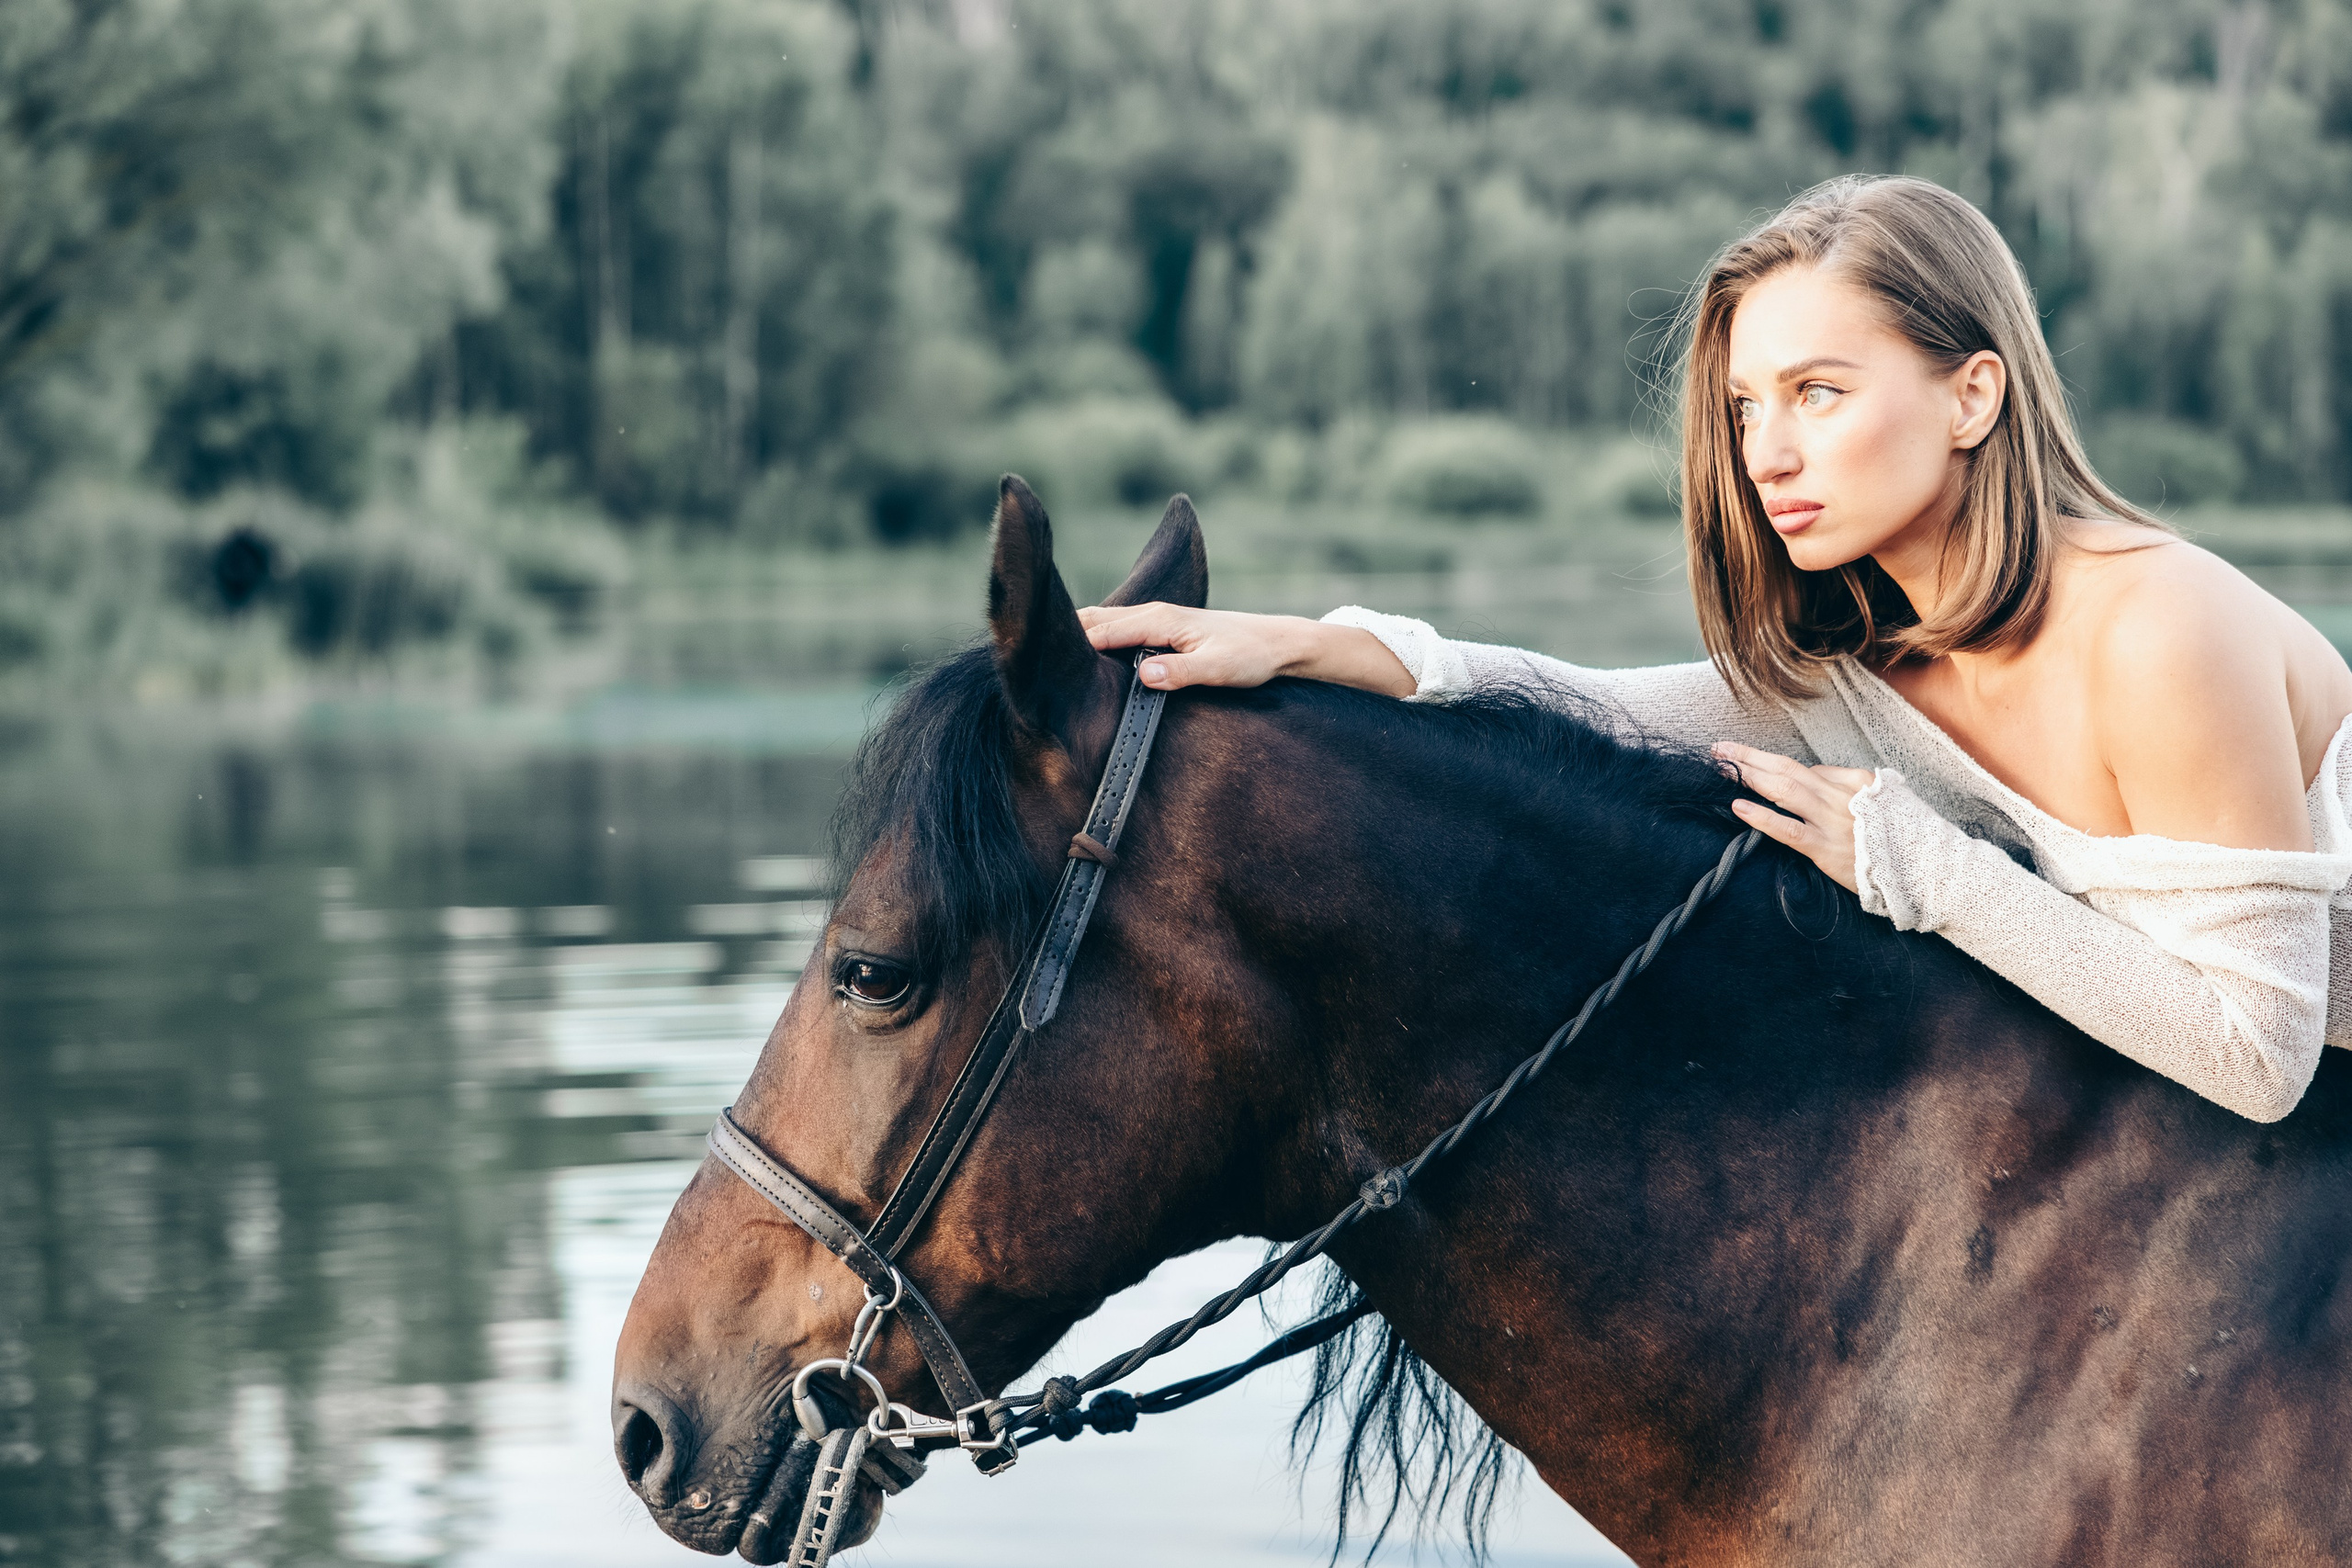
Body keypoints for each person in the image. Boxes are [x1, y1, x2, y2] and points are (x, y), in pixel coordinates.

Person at [1080, 174, 2352, 1124]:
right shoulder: (1867, 670)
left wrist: (1921, 867)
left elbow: (2259, 1052)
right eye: (1747, 406)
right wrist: (1317, 646)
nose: (1768, 453)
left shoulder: (2158, 631)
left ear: (1974, 395)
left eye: (1820, 393)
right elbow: (1597, 711)